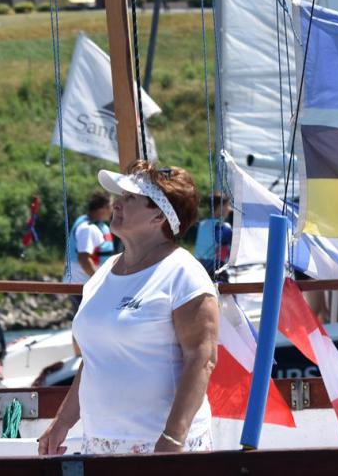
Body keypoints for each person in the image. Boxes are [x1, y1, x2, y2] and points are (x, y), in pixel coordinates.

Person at [38, 161, 218, 456]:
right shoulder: (103, 272)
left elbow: (202, 359)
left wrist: (173, 438)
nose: (117, 203)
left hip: (159, 446)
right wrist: (62, 422)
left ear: (159, 215)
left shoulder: (184, 273)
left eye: (130, 197)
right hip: (99, 442)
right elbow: (96, 358)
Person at [64, 191, 116, 284]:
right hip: (81, 285)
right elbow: (84, 259)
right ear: (103, 208)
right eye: (112, 206)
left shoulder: (99, 225)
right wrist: (100, 282)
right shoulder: (87, 229)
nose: (113, 210)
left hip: (89, 284)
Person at [192, 194, 232, 275]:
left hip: (199, 265)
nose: (230, 209)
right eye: (228, 206)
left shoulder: (202, 224)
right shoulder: (223, 227)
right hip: (214, 267)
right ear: (220, 207)